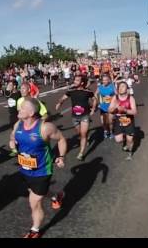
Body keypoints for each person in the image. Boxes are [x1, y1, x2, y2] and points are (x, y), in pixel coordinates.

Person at [10, 97, 67, 238]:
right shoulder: (19, 124)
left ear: (31, 113)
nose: (19, 109)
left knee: (34, 202)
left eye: (23, 108)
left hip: (42, 171)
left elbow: (61, 139)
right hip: (25, 169)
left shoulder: (45, 127)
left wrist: (61, 156)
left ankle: (35, 230)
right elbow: (13, 136)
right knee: (34, 191)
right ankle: (56, 196)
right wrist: (12, 143)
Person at [55, 74, 96, 161]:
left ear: (82, 83)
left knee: (83, 134)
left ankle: (81, 153)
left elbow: (94, 99)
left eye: (77, 80)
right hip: (75, 116)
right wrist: (59, 103)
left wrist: (93, 108)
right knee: (80, 133)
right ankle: (85, 137)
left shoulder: (87, 91)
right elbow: (63, 98)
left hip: (85, 115)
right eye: (75, 80)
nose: (74, 82)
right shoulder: (71, 90)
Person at [108, 81, 137, 160]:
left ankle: (130, 154)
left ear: (127, 89)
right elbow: (109, 109)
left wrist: (125, 110)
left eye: (123, 86)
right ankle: (124, 138)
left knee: (129, 140)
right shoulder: (115, 97)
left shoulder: (130, 98)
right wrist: (114, 108)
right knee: (118, 140)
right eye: (119, 87)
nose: (121, 88)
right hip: (118, 120)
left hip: (129, 120)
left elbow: (134, 112)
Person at [95, 73, 116, 140]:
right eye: (103, 80)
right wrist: (97, 102)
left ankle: (111, 132)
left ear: (109, 80)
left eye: (106, 80)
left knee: (110, 121)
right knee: (103, 121)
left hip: (111, 106)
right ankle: (105, 131)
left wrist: (115, 101)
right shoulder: (100, 87)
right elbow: (95, 94)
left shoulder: (112, 86)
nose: (105, 81)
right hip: (103, 106)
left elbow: (117, 94)